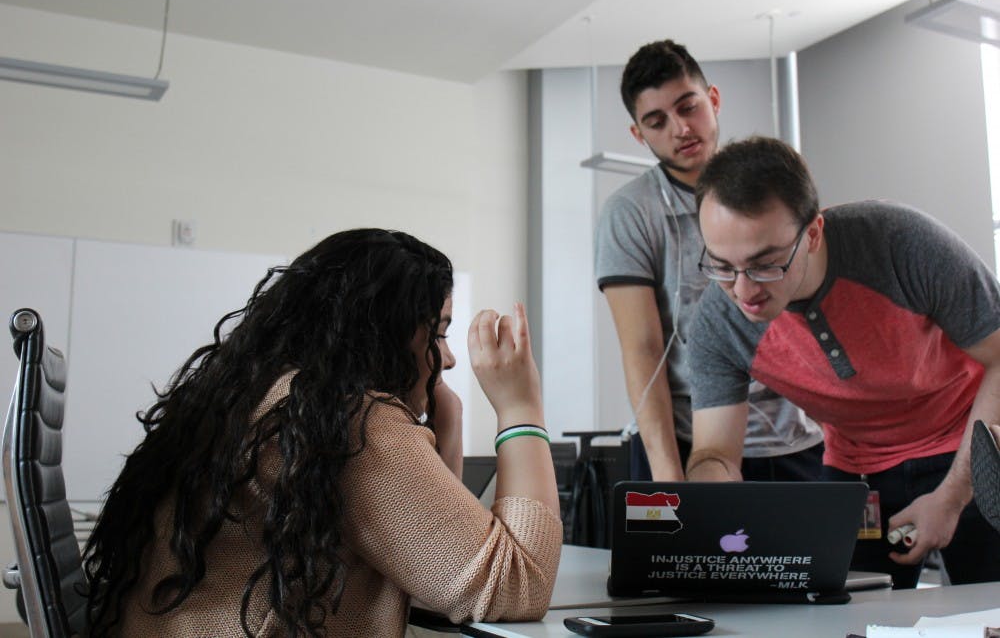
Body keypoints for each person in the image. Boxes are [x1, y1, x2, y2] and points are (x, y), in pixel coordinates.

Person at [82, 228, 563, 637]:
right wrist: (521, 406)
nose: (450, 357)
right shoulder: (346, 418)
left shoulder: (271, 394)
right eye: (438, 333)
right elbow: (515, 586)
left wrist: (450, 423)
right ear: (383, 330)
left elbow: (436, 571)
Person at [686, 136, 1000, 588]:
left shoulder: (902, 244)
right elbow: (714, 452)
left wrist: (951, 498)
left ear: (812, 233)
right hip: (858, 468)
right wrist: (721, 507)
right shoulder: (719, 324)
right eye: (722, 266)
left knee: (986, 604)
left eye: (765, 264)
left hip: (967, 440)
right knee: (848, 613)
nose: (743, 291)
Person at [594, 39, 823, 481]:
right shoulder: (632, 212)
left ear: (713, 99)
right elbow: (642, 349)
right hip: (688, 438)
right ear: (639, 135)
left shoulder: (775, 182)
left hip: (796, 433)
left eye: (688, 107)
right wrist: (668, 477)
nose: (680, 129)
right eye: (657, 122)